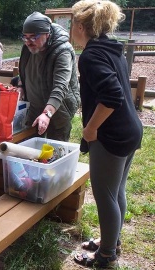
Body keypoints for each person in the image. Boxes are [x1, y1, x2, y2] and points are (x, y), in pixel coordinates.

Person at [71, 1, 143, 268]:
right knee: (117, 191)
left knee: (105, 195)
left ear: (80, 27)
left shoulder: (90, 55)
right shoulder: (111, 48)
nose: (72, 31)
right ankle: (111, 242)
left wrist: (91, 128)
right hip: (130, 130)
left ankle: (106, 256)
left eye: (72, 26)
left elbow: (112, 96)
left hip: (111, 135)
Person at [17, 11, 80, 141]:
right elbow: (24, 72)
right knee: (29, 151)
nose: (28, 42)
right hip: (33, 109)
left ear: (47, 34)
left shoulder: (63, 51)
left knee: (54, 152)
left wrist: (47, 114)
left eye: (34, 37)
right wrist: (20, 86)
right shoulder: (27, 47)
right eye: (25, 37)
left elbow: (60, 86)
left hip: (58, 112)